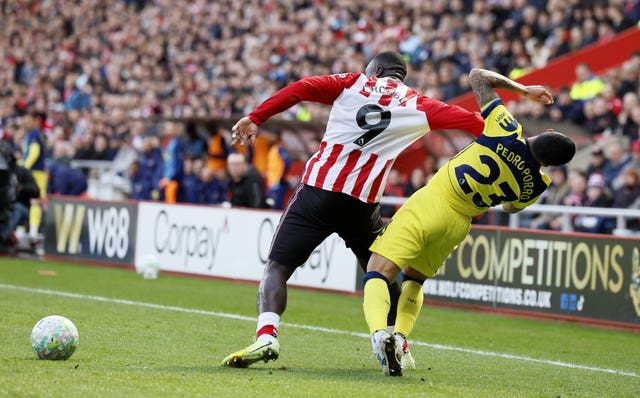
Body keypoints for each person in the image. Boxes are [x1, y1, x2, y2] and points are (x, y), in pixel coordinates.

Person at [221, 51, 484, 369]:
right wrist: (520, 144)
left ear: (376, 70)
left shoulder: (352, 82)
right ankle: (397, 340)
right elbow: (473, 123)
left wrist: (257, 117)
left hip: (319, 193)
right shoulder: (417, 103)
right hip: (362, 204)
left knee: (277, 268)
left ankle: (266, 335)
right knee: (381, 275)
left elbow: (300, 88)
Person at [361, 68, 575, 376]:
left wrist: (523, 90)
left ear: (548, 133)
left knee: (378, 271)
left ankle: (380, 334)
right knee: (415, 279)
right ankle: (402, 339)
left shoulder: (506, 127)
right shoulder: (538, 184)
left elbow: (477, 76)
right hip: (459, 223)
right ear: (551, 164)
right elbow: (512, 207)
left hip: (434, 200)